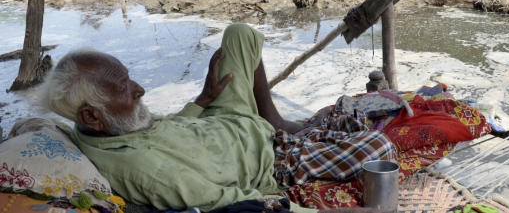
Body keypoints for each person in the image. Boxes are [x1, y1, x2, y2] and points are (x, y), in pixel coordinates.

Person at [41, 23, 395, 212]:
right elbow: (227, 201)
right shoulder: (147, 172)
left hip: (220, 118)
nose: (138, 89)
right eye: (122, 88)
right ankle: (278, 133)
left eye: (129, 77)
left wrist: (203, 98)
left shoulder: (101, 124)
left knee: (239, 35)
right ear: (92, 114)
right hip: (269, 159)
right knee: (379, 145)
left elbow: (168, 128)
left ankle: (274, 119)